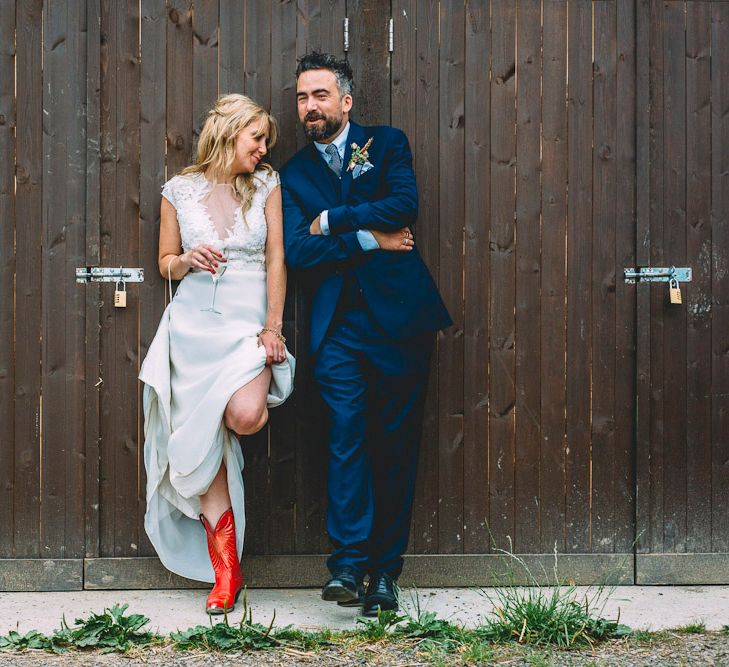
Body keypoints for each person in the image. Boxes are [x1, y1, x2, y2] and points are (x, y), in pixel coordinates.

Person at [280, 52, 452, 616]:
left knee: (396, 445)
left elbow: (405, 206)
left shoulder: (386, 142)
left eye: (321, 96)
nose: (310, 107)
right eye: (303, 98)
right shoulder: (295, 173)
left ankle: (385, 573)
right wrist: (369, 238)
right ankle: (348, 565)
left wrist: (332, 220)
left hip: (400, 322)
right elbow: (297, 252)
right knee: (345, 437)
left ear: (346, 101)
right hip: (337, 331)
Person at [139, 94, 295, 614]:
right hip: (193, 327)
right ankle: (226, 571)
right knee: (202, 437)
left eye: (266, 140)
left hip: (247, 325)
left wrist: (273, 326)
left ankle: (214, 442)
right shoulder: (178, 190)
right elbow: (164, 264)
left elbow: (277, 258)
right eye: (258, 138)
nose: (264, 148)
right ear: (230, 134)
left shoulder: (268, 185)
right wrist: (185, 258)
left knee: (245, 416)